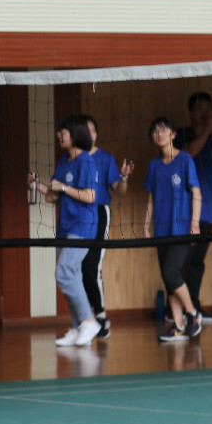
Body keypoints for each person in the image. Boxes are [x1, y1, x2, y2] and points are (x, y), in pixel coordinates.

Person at [30, 116, 100, 347]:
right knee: (72, 276)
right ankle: (80, 327)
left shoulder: (86, 161)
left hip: (83, 226)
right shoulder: (63, 161)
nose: (58, 136)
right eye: (59, 132)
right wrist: (38, 186)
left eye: (63, 132)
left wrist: (64, 187)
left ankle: (89, 321)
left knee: (64, 273)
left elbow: (90, 196)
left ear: (76, 134)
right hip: (65, 227)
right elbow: (53, 196)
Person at [144, 116, 203, 343]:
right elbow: (151, 198)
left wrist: (195, 224)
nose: (159, 134)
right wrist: (146, 226)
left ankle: (192, 314)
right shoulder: (154, 165)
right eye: (155, 131)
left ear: (173, 134)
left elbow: (196, 192)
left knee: (171, 273)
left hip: (182, 229)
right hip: (161, 231)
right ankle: (178, 326)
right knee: (168, 279)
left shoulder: (185, 159)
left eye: (163, 130)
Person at [76, 114, 133, 339]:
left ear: (96, 134)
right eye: (84, 130)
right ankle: (85, 319)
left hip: (99, 213)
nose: (88, 134)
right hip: (78, 216)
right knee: (78, 269)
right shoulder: (74, 158)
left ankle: (100, 317)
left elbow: (119, 190)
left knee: (92, 267)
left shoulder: (105, 158)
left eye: (91, 130)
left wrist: (124, 178)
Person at [175, 91, 212, 323]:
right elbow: (187, 154)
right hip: (185, 212)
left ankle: (193, 307)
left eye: (208, 109)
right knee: (182, 261)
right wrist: (206, 130)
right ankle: (177, 311)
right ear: (191, 113)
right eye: (200, 110)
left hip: (208, 211)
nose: (205, 114)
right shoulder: (180, 135)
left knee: (197, 262)